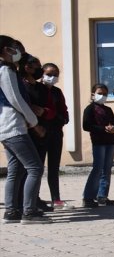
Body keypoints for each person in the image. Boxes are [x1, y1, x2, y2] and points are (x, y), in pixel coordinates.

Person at [0, 35, 50, 224]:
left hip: (5, 126)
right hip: (13, 126)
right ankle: (29, 212)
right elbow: (15, 99)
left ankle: (12, 211)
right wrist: (34, 122)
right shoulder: (5, 69)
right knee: (35, 167)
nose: (18, 52)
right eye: (15, 48)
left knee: (16, 169)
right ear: (5, 49)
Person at [37, 63, 70, 209]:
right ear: (42, 73)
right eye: (49, 73)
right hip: (40, 133)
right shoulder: (36, 89)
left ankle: (56, 199)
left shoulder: (57, 92)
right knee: (37, 167)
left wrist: (60, 118)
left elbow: (64, 112)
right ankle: (34, 198)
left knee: (54, 167)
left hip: (56, 132)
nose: (53, 77)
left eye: (55, 74)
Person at [82, 83, 114, 207]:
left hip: (110, 142)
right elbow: (86, 126)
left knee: (107, 170)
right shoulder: (90, 109)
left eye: (104, 94)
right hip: (98, 143)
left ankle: (102, 196)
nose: (102, 96)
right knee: (97, 169)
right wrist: (103, 128)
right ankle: (88, 197)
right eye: (99, 93)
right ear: (93, 94)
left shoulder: (108, 110)